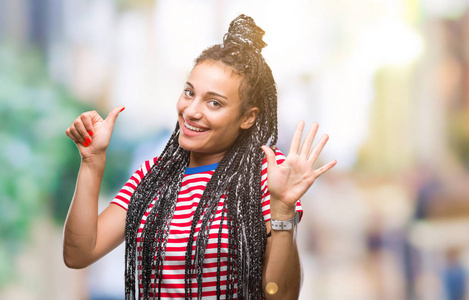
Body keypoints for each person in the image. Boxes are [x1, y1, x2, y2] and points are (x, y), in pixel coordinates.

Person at [63, 14, 336, 300]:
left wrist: (282, 211)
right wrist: (92, 162)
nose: (192, 110)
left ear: (247, 117)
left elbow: (280, 296)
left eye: (214, 102)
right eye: (189, 92)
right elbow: (78, 254)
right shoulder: (154, 174)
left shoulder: (268, 175)